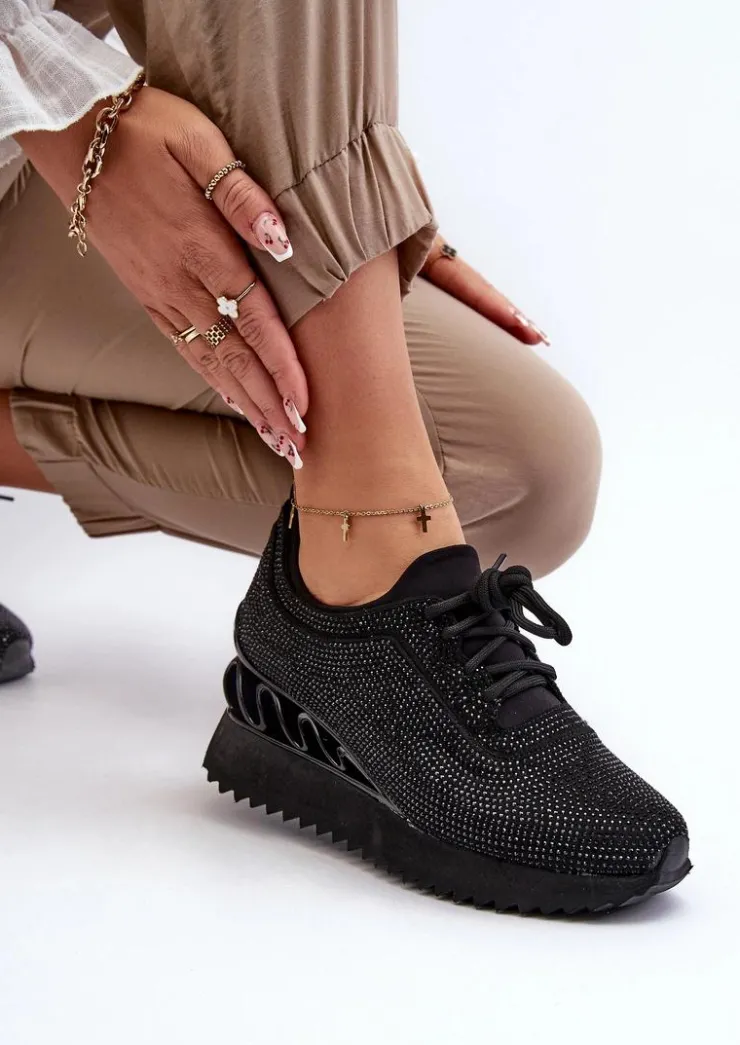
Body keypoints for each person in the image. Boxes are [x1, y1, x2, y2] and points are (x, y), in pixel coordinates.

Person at [0, 1, 690, 912]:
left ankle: (351, 580)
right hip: (34, 117)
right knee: (399, 470)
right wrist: (73, 114)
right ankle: (368, 583)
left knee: (523, 470)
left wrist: (350, 211)